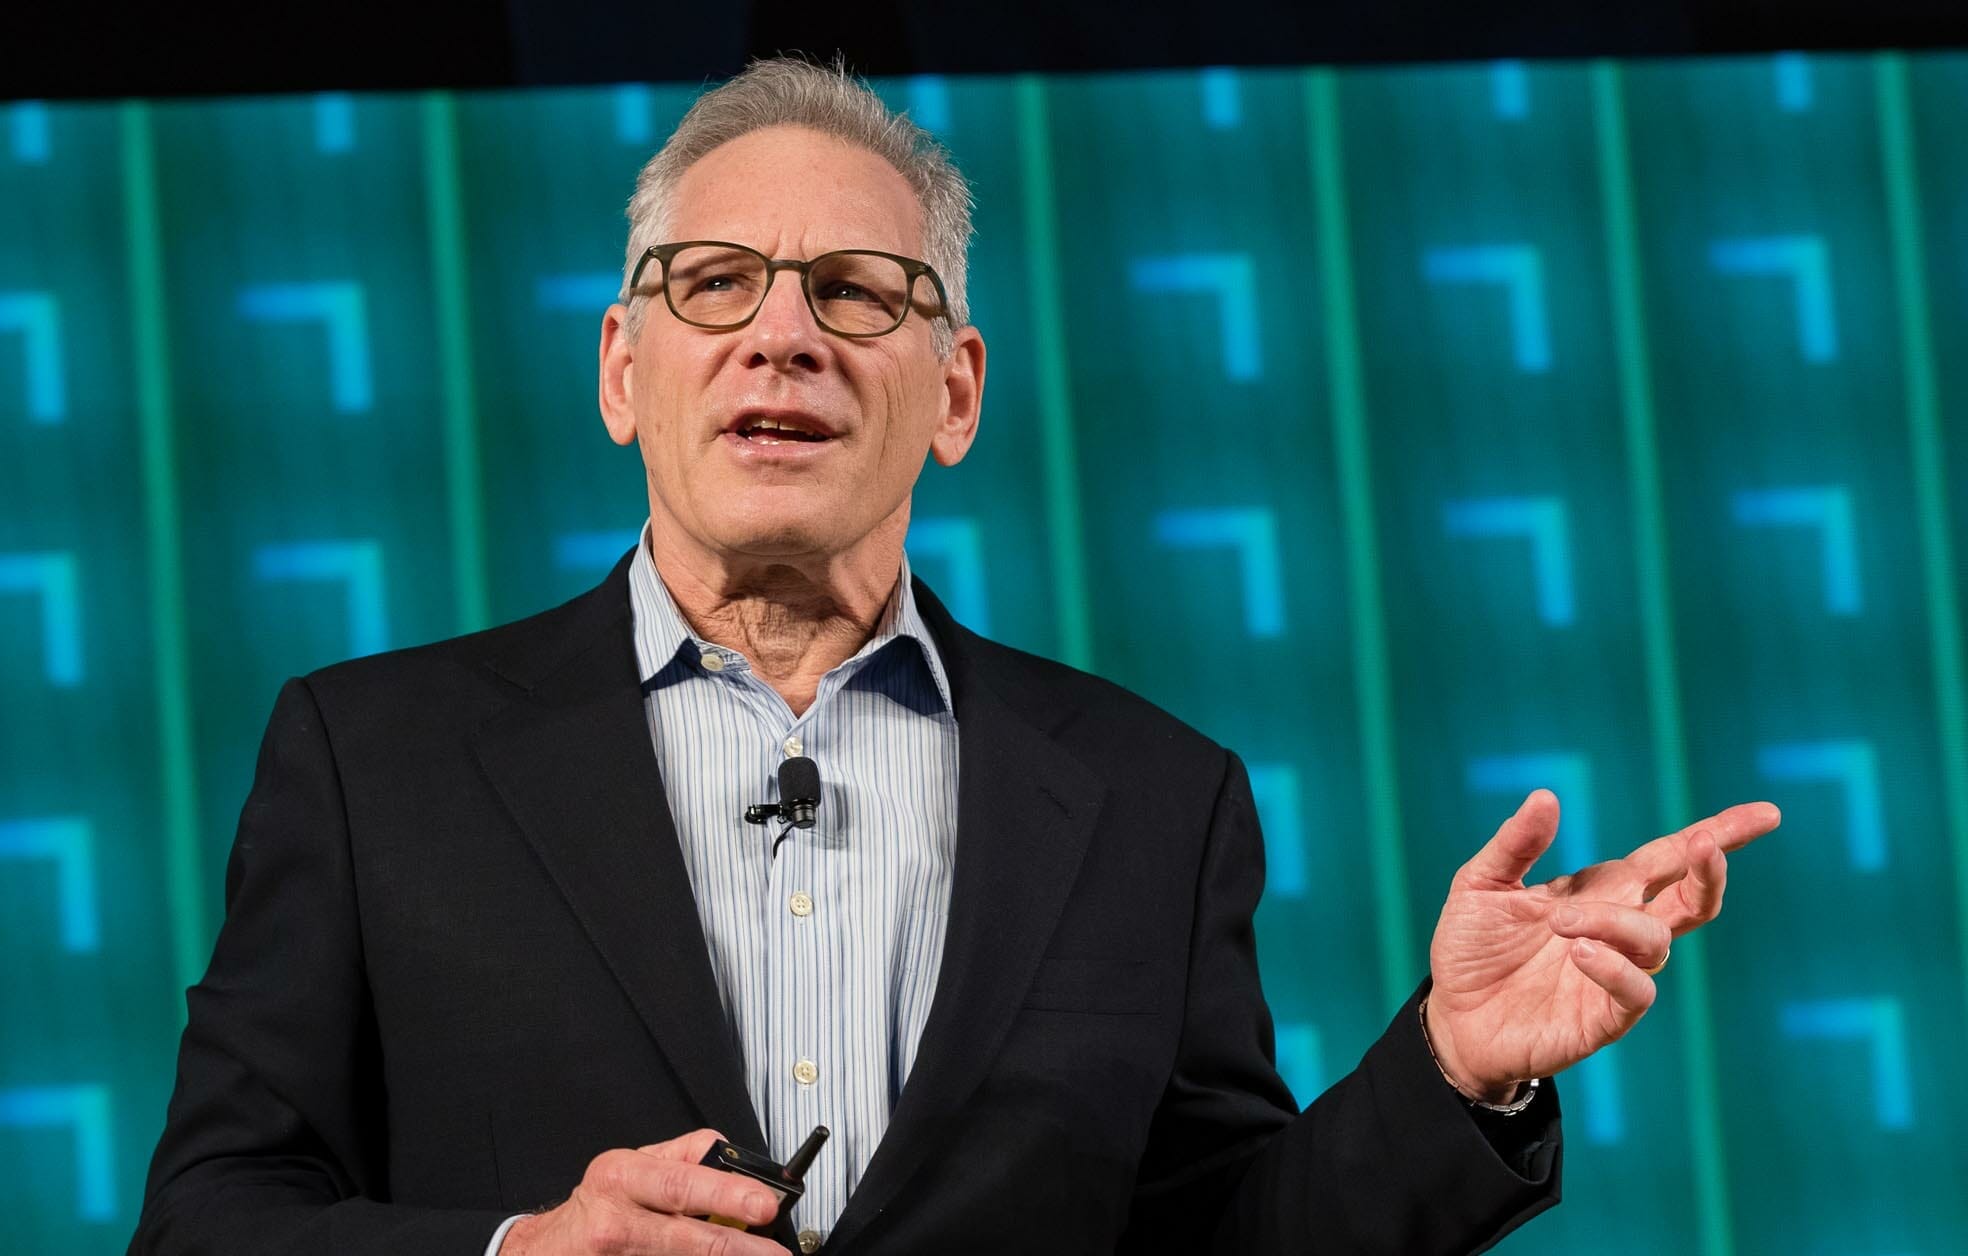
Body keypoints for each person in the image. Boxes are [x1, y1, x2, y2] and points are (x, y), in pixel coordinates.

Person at [129, 56, 1778, 1255]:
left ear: (959, 390)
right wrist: (517, 1254)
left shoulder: (1151, 795)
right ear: (625, 371)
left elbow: (1225, 1238)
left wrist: (1450, 1071)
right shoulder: (373, 759)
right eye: (716, 285)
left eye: (856, 292)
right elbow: (208, 1222)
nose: (784, 331)